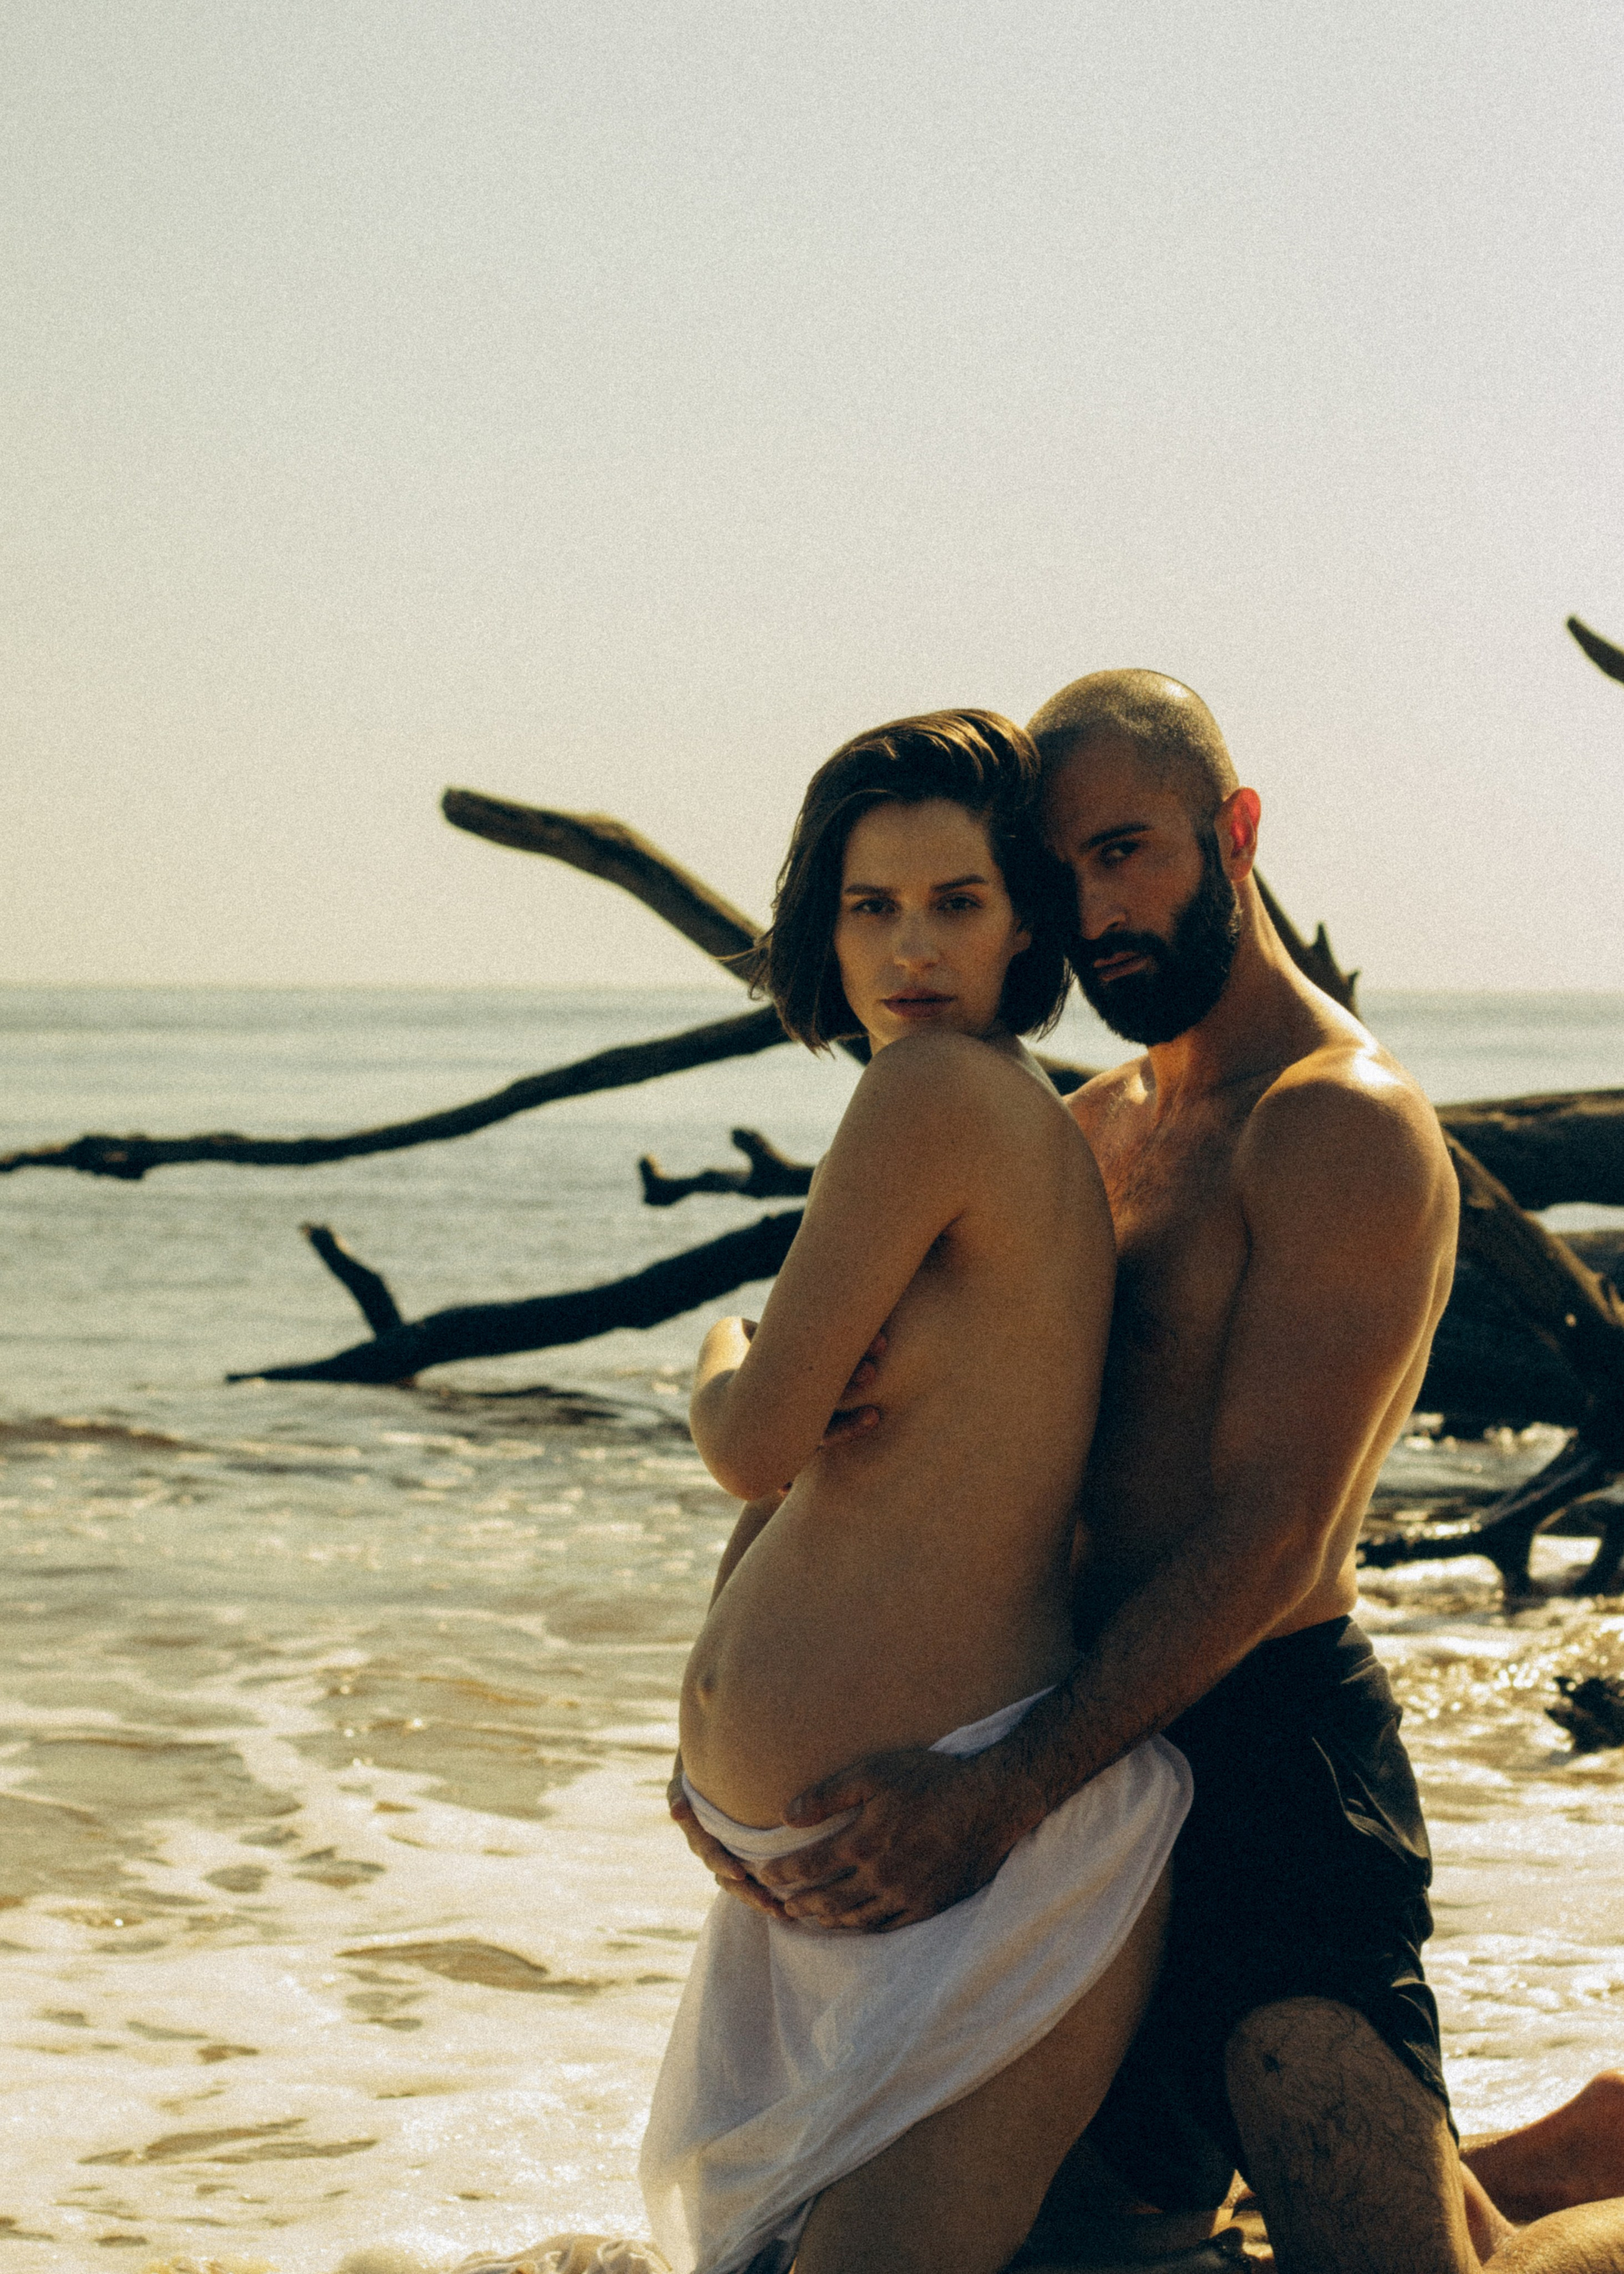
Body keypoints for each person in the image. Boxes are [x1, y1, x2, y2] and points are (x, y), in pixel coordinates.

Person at [672, 672, 1624, 2273]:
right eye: (1065, 873)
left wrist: (998, 1788)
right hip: (1067, 1761)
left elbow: (1268, 1535)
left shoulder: (1338, 1126)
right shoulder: (1096, 1121)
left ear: (1232, 833)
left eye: (1130, 853)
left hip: (1253, 1769)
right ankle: (1529, 2154)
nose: (1097, 910)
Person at [639, 710, 1193, 2274]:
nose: (908, 949)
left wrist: (715, 1346)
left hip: (967, 1857)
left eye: (955, 900)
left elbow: (752, 1441)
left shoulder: (933, 1094)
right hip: (874, 1858)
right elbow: (836, 1477)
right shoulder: (987, 1112)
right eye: (868, 905)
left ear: (1026, 920)